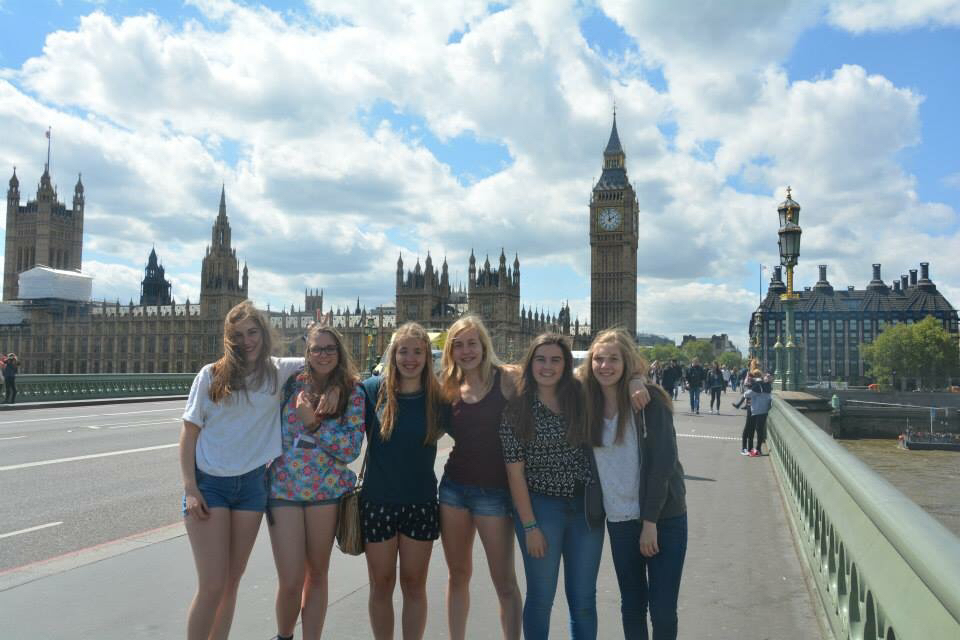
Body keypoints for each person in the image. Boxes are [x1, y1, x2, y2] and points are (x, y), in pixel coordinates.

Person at [180, 301, 305, 640]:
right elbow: (189, 433)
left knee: (232, 582)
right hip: (211, 486)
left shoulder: (277, 371)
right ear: (228, 339)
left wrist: (320, 336)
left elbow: (326, 360)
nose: (246, 341)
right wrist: (190, 488)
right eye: (237, 335)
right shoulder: (211, 375)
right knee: (212, 584)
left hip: (251, 486)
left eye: (252, 332)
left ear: (263, 333)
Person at [584, 329, 688, 640]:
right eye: (599, 359)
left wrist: (650, 522)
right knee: (631, 606)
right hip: (619, 520)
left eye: (613, 359)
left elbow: (663, 464)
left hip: (663, 517)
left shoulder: (649, 400)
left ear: (627, 361)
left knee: (662, 610)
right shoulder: (585, 401)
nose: (605, 366)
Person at [499, 333, 603, 639]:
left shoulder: (581, 397)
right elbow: (515, 474)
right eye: (541, 359)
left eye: (556, 360)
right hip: (541, 509)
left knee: (584, 601)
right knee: (541, 598)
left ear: (566, 364)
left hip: (584, 508)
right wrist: (530, 526)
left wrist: (637, 380)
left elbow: (618, 372)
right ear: (530, 363)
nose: (548, 366)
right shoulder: (516, 410)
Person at [267, 325, 365, 640]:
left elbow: (350, 450)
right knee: (290, 580)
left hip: (326, 492)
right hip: (284, 489)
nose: (323, 355)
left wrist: (314, 426)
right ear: (306, 353)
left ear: (340, 352)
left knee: (318, 575)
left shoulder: (353, 392)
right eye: (316, 349)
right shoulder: (289, 384)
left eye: (330, 348)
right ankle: (284, 636)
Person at [438, 315, 523, 640]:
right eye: (458, 345)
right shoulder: (447, 386)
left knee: (504, 582)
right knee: (457, 575)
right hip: (454, 491)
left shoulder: (509, 379)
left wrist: (635, 379)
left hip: (495, 493)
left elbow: (563, 379)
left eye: (472, 343)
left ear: (484, 345)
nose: (466, 351)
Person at [361, 322, 447, 640]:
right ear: (393, 354)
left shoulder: (438, 398)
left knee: (414, 585)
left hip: (420, 503)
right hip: (378, 503)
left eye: (417, 352)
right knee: (381, 585)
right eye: (403, 351)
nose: (410, 359)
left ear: (427, 355)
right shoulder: (372, 390)